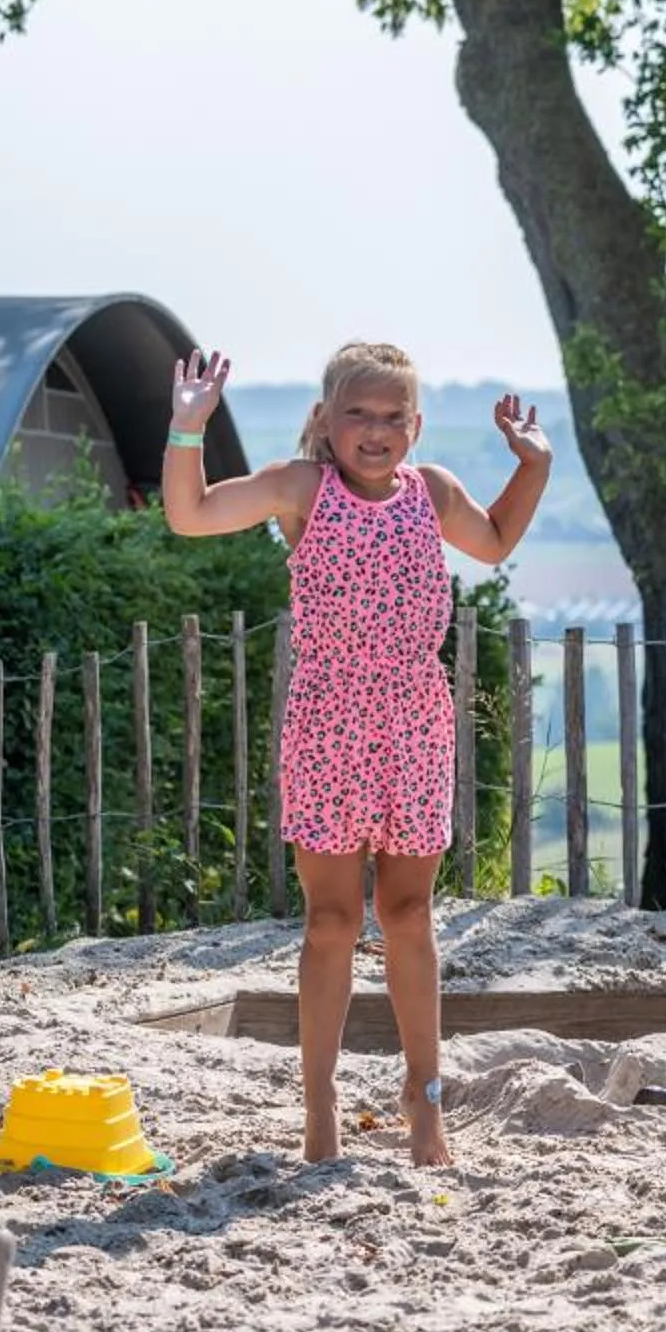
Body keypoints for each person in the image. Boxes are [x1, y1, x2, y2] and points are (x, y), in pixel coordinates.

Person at [161, 341, 552, 1165]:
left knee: (410, 915)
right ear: (325, 419)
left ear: (415, 425)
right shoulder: (303, 490)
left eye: (391, 416)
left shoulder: (434, 493)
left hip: (414, 719)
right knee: (332, 920)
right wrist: (187, 429)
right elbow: (189, 515)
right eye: (357, 413)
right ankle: (320, 1102)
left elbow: (493, 542)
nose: (374, 431)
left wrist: (533, 467)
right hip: (328, 721)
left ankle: (424, 1095)